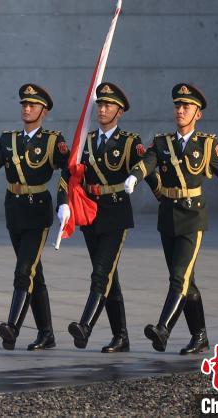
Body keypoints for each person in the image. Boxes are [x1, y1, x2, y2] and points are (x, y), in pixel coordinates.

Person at [124, 83, 218, 354]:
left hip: (193, 215)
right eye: (178, 106)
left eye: (186, 107)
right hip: (168, 215)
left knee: (179, 278)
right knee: (185, 280)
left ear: (198, 114)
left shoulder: (207, 145)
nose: (181, 110)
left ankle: (163, 329)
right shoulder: (162, 143)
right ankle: (200, 336)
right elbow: (147, 162)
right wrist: (135, 177)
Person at [0, 83, 71, 351]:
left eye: (32, 105)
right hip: (14, 209)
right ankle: (46, 334)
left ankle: (12, 327)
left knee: (24, 270)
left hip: (38, 211)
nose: (27, 108)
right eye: (24, 104)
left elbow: (70, 172)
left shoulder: (52, 141)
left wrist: (64, 202)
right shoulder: (9, 139)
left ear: (43, 111)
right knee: (34, 274)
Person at [62, 82, 162, 353]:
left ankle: (85, 326)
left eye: (108, 105)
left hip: (116, 213)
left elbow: (146, 169)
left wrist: (163, 196)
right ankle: (121, 337)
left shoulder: (130, 142)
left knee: (100, 273)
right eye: (100, 104)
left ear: (120, 111)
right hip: (90, 212)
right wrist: (64, 204)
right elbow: (69, 176)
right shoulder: (87, 140)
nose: (102, 109)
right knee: (108, 278)